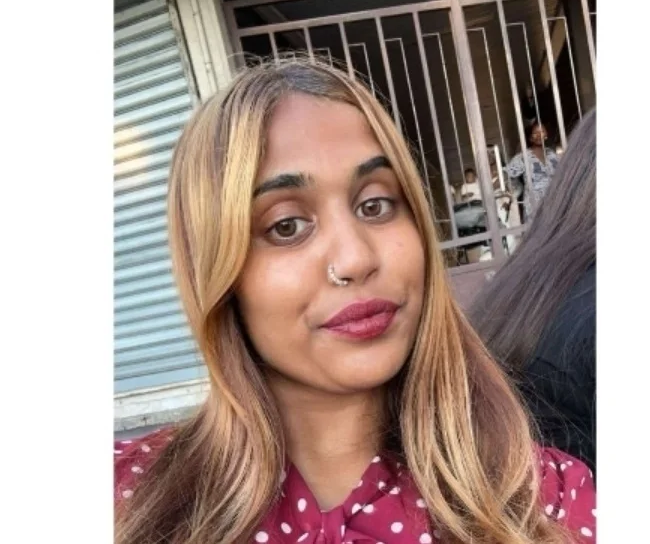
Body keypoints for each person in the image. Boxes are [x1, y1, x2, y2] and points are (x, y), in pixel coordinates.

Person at [114, 60, 596, 544]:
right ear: (217, 271)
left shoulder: (548, 500)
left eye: (375, 205)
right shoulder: (125, 497)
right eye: (286, 226)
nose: (355, 259)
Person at [470, 111, 596, 473]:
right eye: (535, 130)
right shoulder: (521, 160)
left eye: (544, 129)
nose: (540, 134)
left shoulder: (528, 287)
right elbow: (510, 185)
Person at [505, 120, 560, 221]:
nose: (539, 135)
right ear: (530, 137)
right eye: (535, 133)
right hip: (534, 206)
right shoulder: (523, 157)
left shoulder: (552, 154)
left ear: (546, 135)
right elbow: (508, 174)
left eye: (542, 131)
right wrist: (517, 190)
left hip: (555, 202)